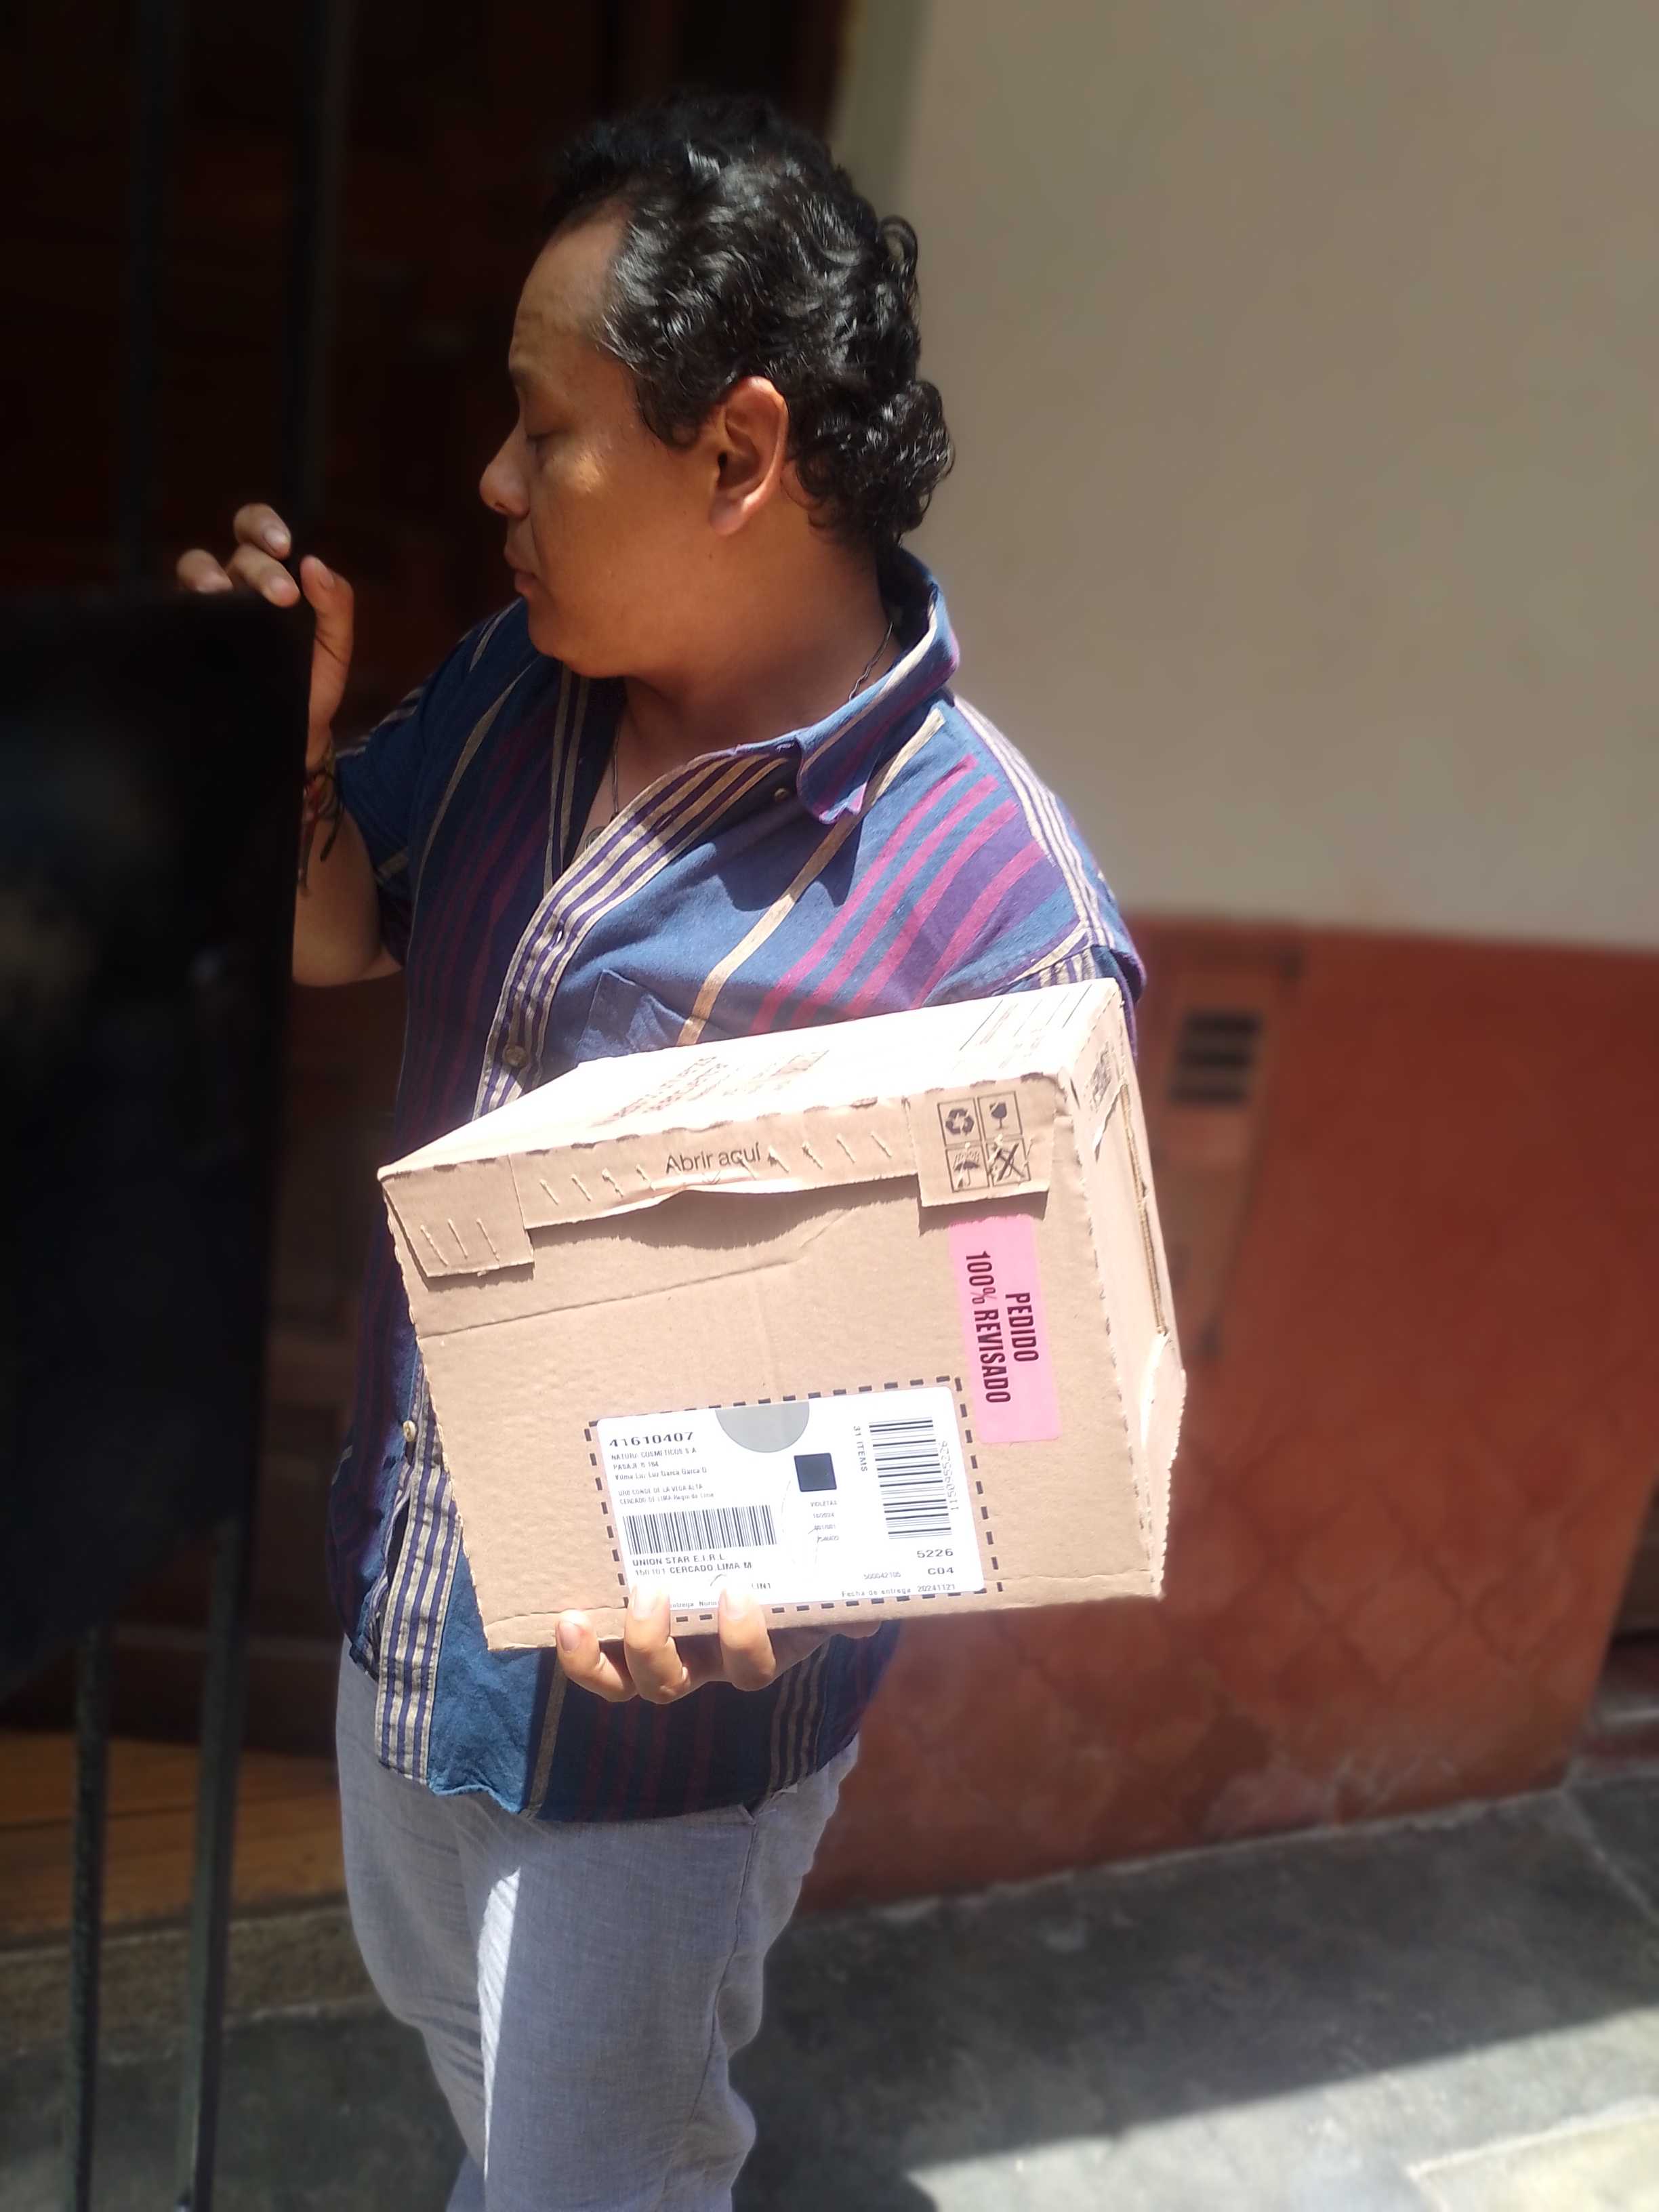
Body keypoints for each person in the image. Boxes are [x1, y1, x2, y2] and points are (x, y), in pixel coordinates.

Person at [180, 92, 1143, 2212]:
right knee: (477, 2075)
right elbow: (344, 928)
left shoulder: (996, 906)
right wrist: (291, 751)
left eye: (549, 430)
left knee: (594, 2176)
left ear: (739, 452)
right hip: (410, 1607)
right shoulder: (516, 698)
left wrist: (802, 1560)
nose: (495, 481)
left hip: (653, 1765)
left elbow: (1031, 1393)